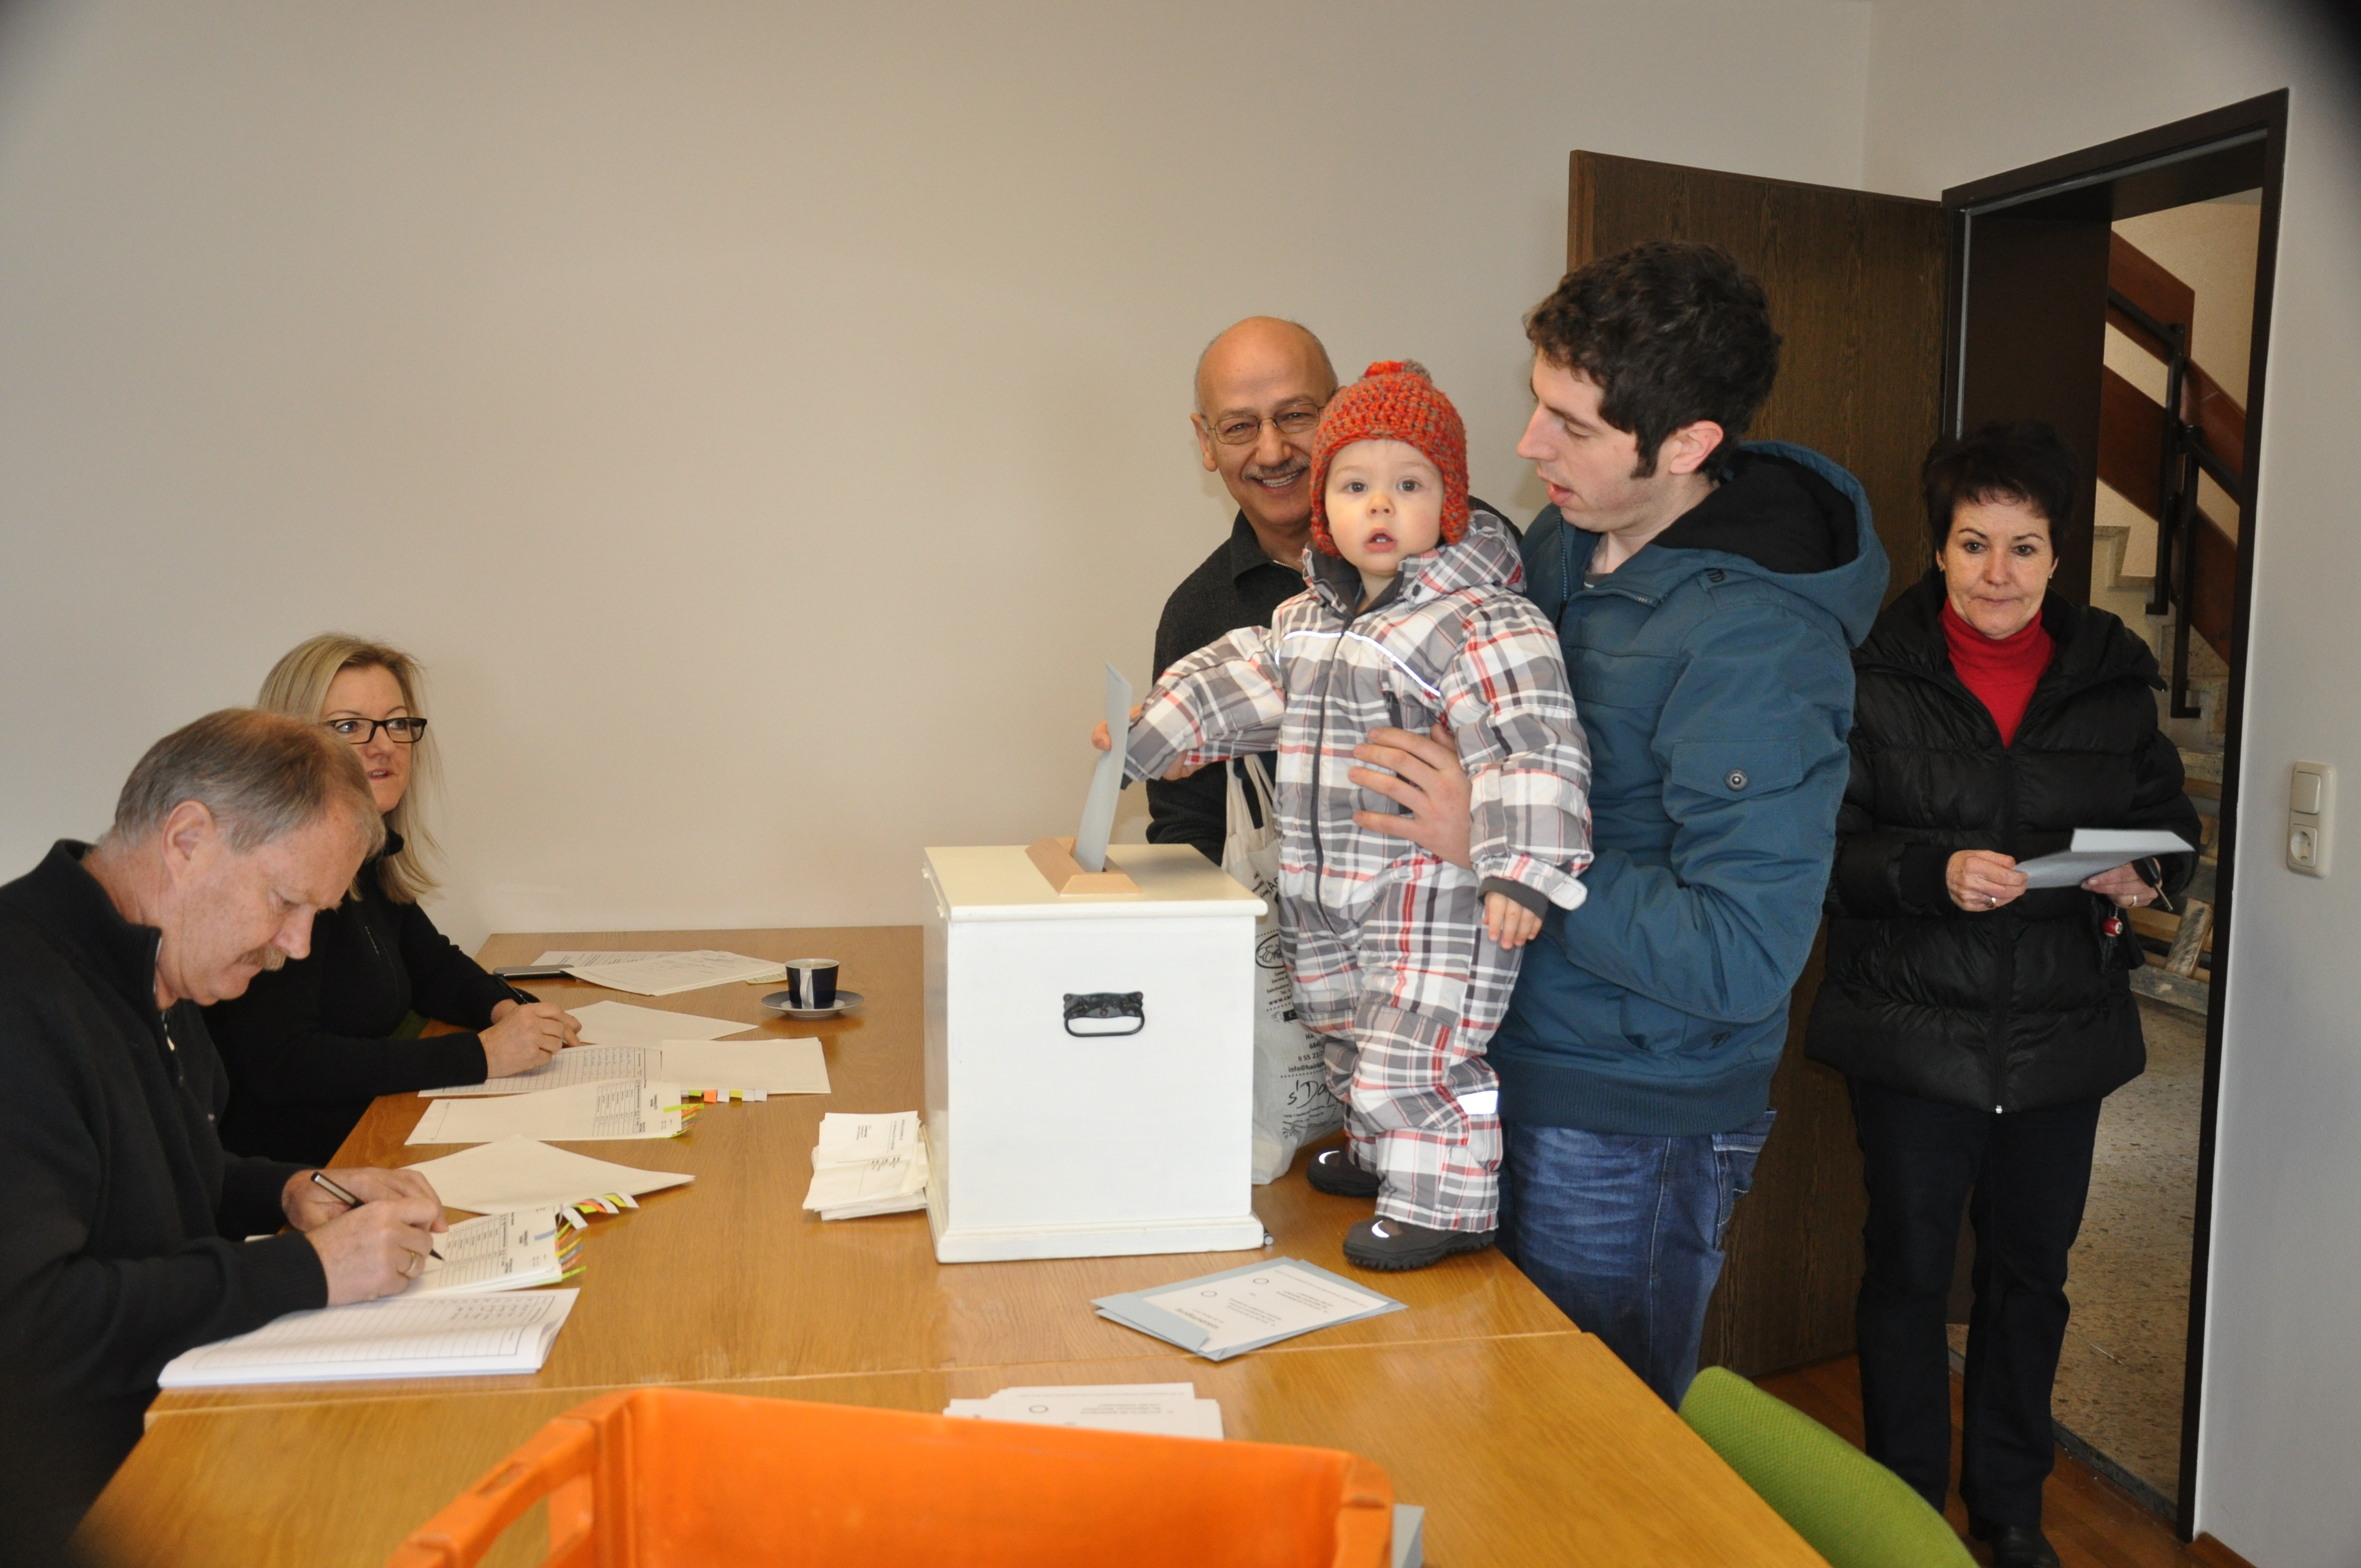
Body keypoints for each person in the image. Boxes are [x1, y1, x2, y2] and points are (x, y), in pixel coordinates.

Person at [1337, 242, 1888, 1403]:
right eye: (1536, 403)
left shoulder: (1762, 645)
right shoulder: (1555, 543)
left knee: (1586, 1448)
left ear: (1685, 444)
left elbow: (1740, 955)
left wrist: (1491, 840)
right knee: (1468, 1417)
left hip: (1627, 1125)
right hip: (1487, 1062)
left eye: (1571, 425)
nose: (1529, 444)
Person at [1804, 421, 2199, 1568]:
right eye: (1972, 543)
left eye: (2022, 548)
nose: (1995, 573)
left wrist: (2145, 871)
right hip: (1909, 1034)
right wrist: (1930, 871)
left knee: (2032, 1278)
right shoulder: (1869, 671)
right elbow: (1822, 851)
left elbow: (2168, 825)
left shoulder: (2112, 676)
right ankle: (1900, 1508)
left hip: (2060, 1036)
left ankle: (2010, 1509)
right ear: (1937, 548)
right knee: (1906, 1273)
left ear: (2055, 556)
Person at [1101, 361, 1592, 1270]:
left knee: (1419, 1050)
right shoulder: (1308, 620)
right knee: (1342, 1027)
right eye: (1356, 486)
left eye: (1409, 485)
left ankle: (1446, 1201)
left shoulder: (1482, 620)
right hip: (1323, 887)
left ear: (1448, 500)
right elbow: (1234, 683)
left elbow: (1534, 744)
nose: (1381, 507)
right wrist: (1148, 736)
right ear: (1324, 505)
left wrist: (1521, 868)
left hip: (1431, 896)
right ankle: (1378, 1156)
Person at [0, 710, 450, 1560]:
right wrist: (306, 1269)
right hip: (82, 1503)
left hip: (178, 1418)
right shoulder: (22, 1000)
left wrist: (292, 1189)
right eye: (286, 901)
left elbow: (159, 1176)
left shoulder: (155, 966)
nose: (297, 945)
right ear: (188, 841)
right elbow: (32, 1328)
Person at [206, 636, 581, 1167]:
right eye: (348, 727)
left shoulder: (368, 853)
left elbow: (433, 967)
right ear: (289, 745)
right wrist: (481, 1054)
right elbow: (284, 1064)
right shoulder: (274, 877)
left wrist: (510, 1009)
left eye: (397, 723)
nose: (383, 745)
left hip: (372, 1136)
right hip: (301, 1174)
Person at [1149, 318, 1506, 862]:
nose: (1272, 452)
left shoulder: (1474, 557)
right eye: (1240, 427)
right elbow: (1186, 828)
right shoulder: (1196, 612)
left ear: (1339, 412)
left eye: (1295, 416)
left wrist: (1485, 830)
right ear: (1206, 442)